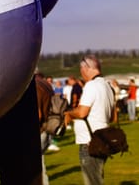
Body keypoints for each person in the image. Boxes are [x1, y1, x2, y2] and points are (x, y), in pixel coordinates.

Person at [64, 55, 116, 185]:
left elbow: (82, 112)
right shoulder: (107, 86)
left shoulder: (91, 86)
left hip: (90, 142)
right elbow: (112, 117)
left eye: (81, 70)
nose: (81, 73)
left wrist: (69, 114)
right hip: (103, 140)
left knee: (93, 182)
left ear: (87, 68)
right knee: (97, 179)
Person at [35, 71, 55, 184]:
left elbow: (38, 115)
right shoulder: (47, 86)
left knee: (37, 169)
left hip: (39, 130)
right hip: (48, 127)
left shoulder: (35, 86)